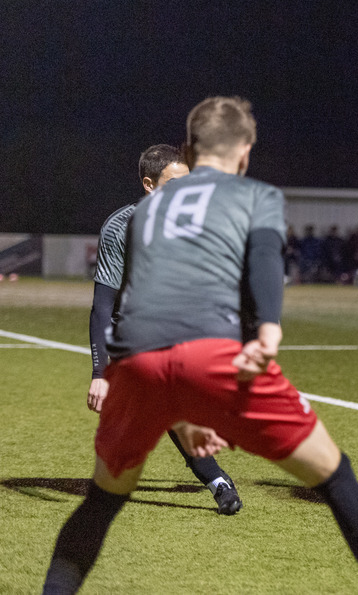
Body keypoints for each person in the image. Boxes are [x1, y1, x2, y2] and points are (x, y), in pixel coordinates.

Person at [44, 97, 358, 595]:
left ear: (191, 150)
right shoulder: (251, 195)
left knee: (103, 500)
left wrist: (179, 404)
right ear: (243, 150)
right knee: (335, 476)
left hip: (135, 360)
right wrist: (267, 330)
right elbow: (263, 265)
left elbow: (144, 302)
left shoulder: (142, 213)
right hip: (212, 354)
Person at [88, 144, 242, 515]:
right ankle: (217, 480)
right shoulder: (120, 228)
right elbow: (102, 307)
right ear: (150, 185)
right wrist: (99, 372)